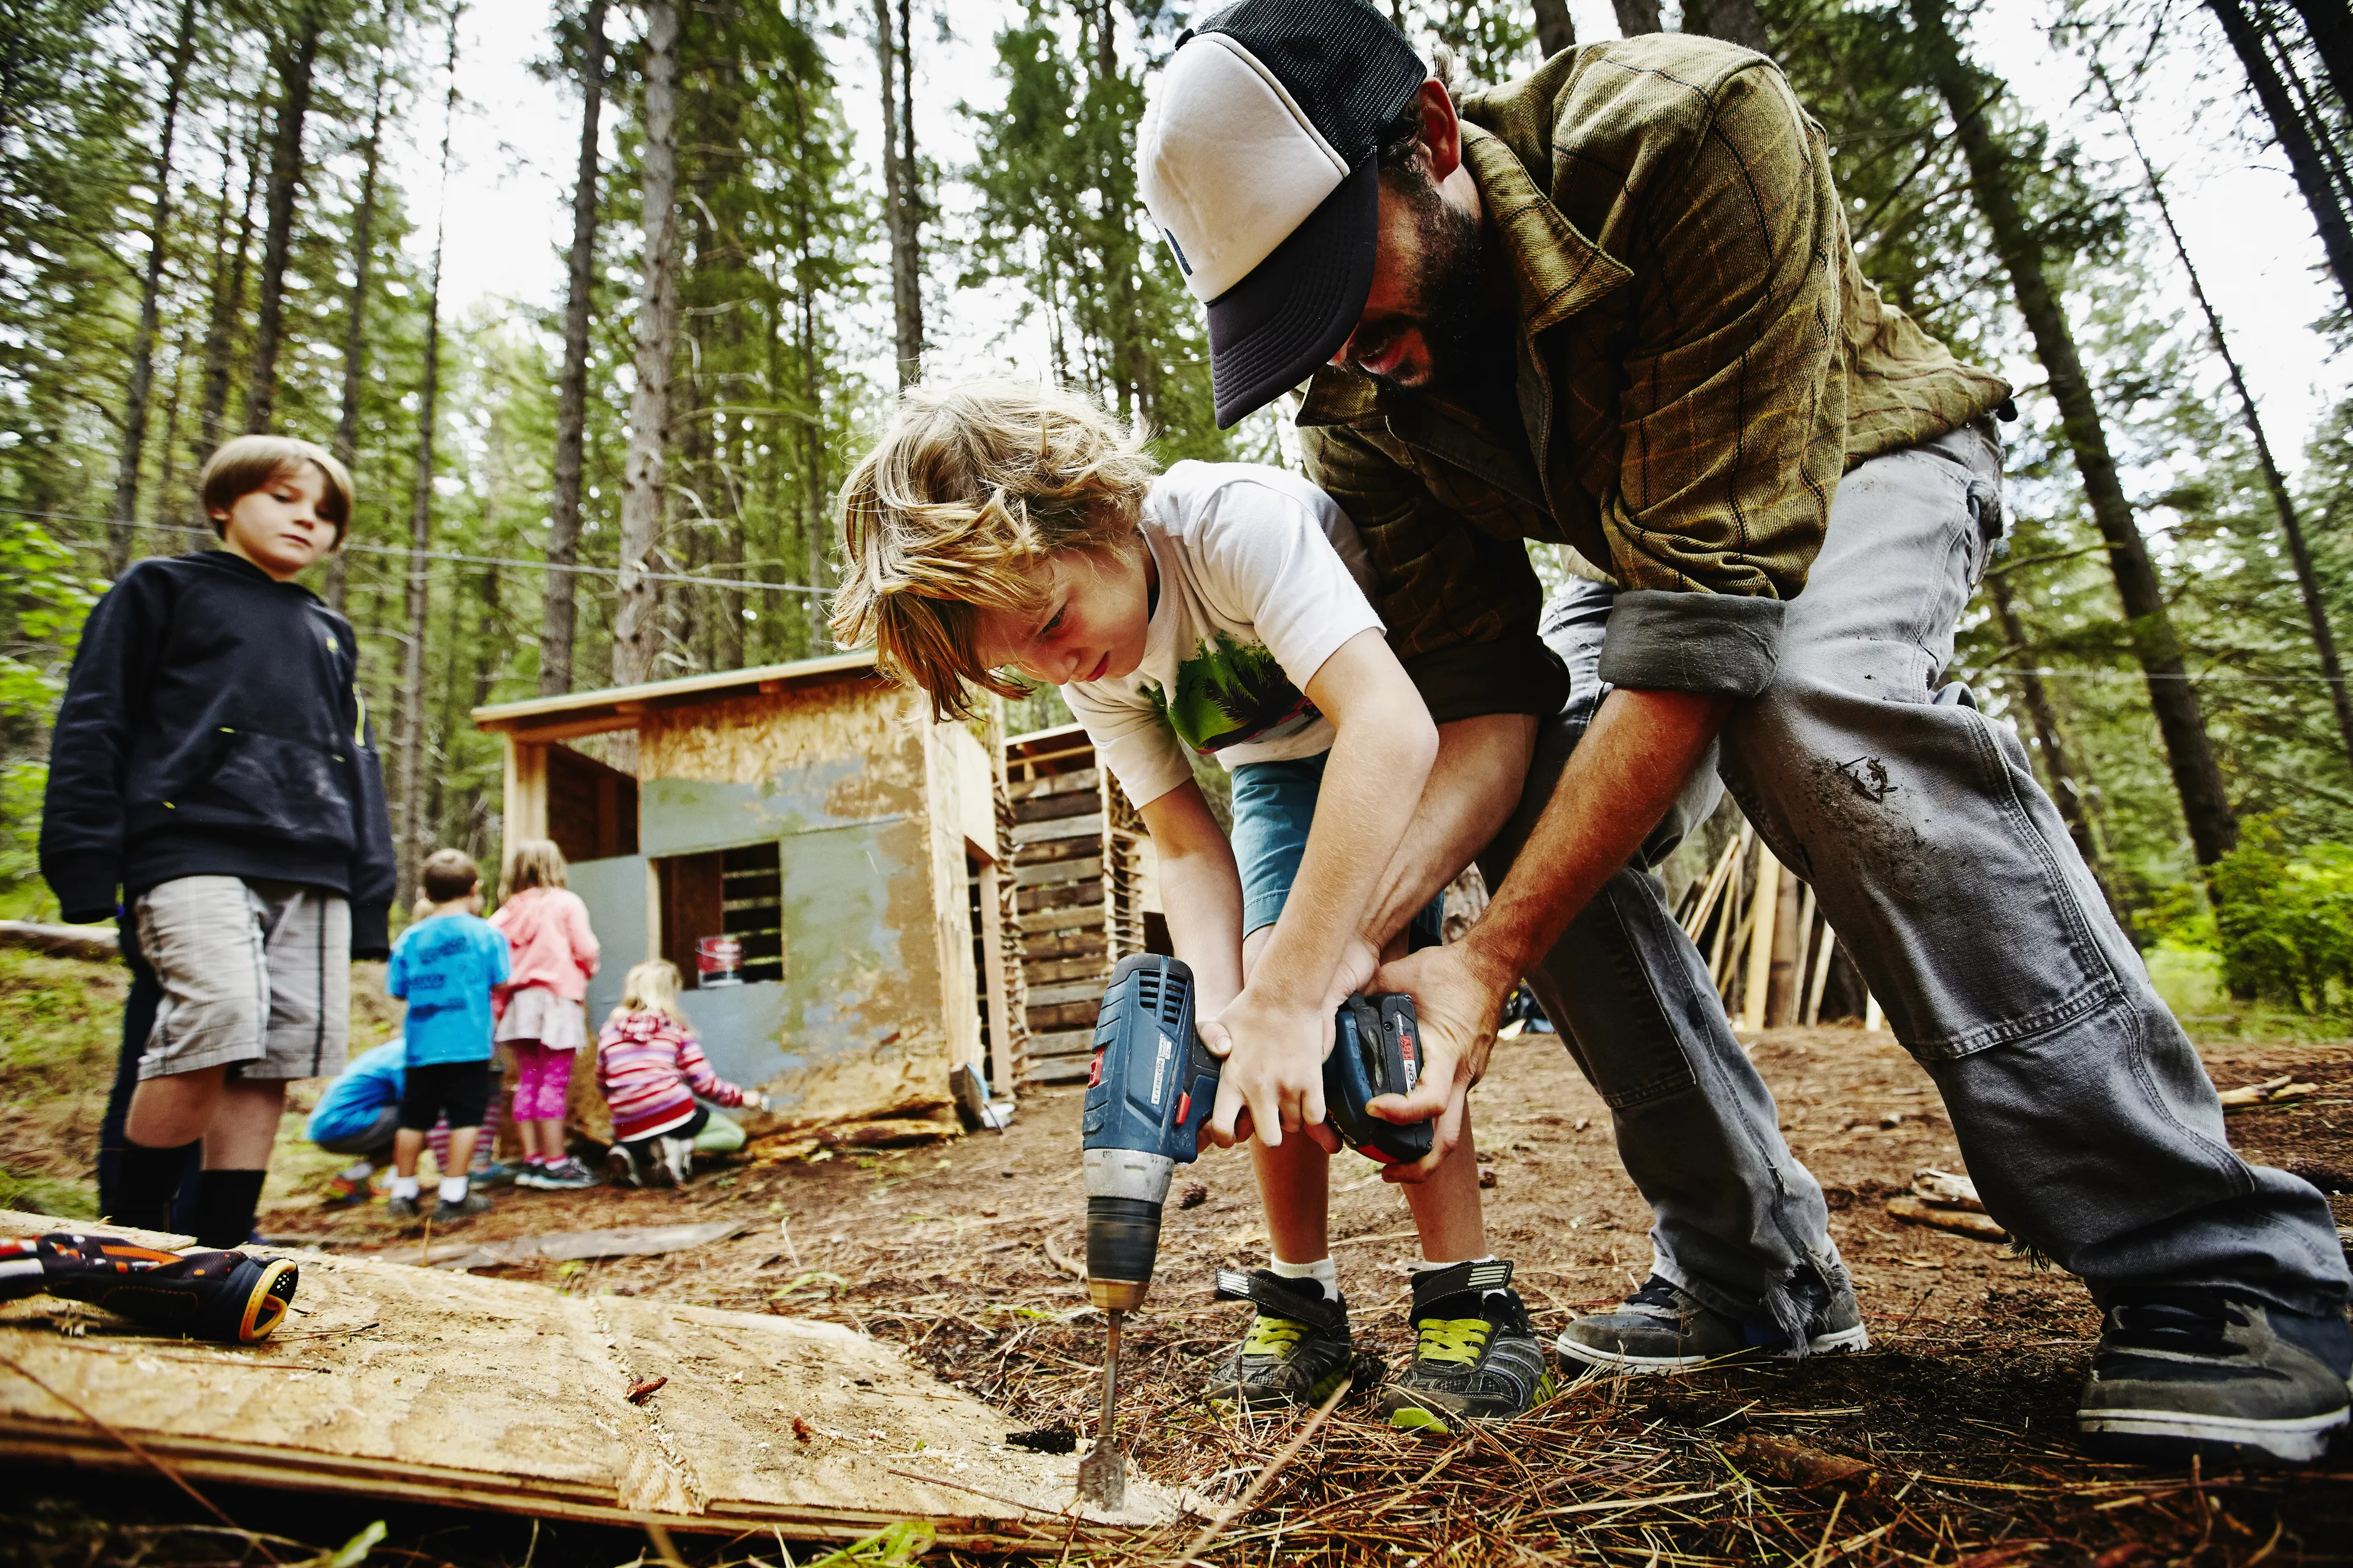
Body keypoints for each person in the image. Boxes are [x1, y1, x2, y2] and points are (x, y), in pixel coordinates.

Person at [1135, 0, 2352, 1464]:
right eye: (1295, 321)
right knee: (1544, 799)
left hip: (1862, 451)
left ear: (1435, 140)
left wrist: (1495, 954)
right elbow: (1485, 707)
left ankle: (2228, 1271)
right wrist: (1329, 955)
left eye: (1344, 280)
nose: (1342, 345)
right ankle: (1750, 1272)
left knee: (1812, 709)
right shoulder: (1353, 393)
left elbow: (1714, 632)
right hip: (1652, 554)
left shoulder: (1681, 129)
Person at [829, 377, 1543, 1433]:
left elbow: (1388, 729)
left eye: (1052, 622)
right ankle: (1303, 1296)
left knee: (1373, 1006)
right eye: (1013, 660)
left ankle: (1466, 1292)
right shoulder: (1080, 659)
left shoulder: (1229, 527)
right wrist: (1228, 1014)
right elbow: (1180, 839)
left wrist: (1302, 980)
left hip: (1396, 718)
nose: (1054, 663)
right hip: (1274, 769)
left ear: (1096, 508)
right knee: (1263, 1006)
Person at [40, 434, 396, 1248]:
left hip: (314, 865)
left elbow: (358, 762)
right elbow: (96, 717)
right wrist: (86, 856)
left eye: (325, 514)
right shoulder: (161, 589)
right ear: (224, 504)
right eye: (284, 498)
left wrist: (371, 890)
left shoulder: (328, 631)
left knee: (273, 1054)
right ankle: (131, 1238)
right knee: (217, 1016)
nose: (307, 521)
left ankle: (223, 1242)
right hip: (190, 846)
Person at [383, 849, 509, 1223]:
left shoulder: (409, 937)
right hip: (468, 1043)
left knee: (414, 1118)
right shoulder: (486, 933)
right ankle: (453, 1194)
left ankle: (403, 1193)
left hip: (422, 1044)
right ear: (474, 889)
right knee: (466, 1117)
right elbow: (501, 981)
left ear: (425, 892)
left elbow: (397, 989)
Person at [488, 838, 601, 1191]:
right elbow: (586, 949)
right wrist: (587, 968)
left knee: (529, 1081)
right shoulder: (566, 903)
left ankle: (533, 1161)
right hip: (554, 1003)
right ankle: (556, 1164)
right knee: (553, 1082)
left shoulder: (504, 914)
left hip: (519, 1007)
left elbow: (494, 963)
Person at [596, 959, 768, 1189]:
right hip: (672, 1113)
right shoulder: (674, 1030)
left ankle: (626, 1152)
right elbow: (704, 1084)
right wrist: (742, 1098)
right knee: (733, 1135)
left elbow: (602, 1080)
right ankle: (680, 1148)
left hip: (628, 1123)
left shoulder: (609, 1031)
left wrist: (629, 1103)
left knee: (642, 1138)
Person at [304, 1036, 506, 1208]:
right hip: (341, 1125)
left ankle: (353, 1178)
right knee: (423, 1118)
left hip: (338, 1124)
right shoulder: (408, 1057)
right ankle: (396, 1184)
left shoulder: (402, 1047)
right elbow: (418, 1106)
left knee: (420, 1118)